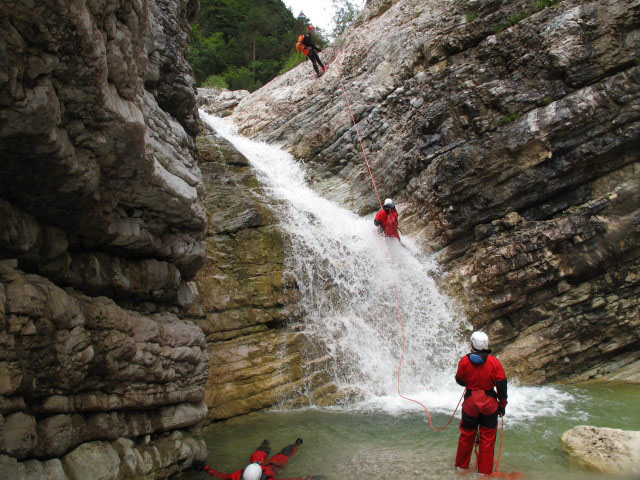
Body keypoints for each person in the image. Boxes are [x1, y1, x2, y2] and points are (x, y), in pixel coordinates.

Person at [454, 331, 508, 476]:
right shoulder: (494, 361)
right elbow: (502, 384)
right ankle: (484, 473)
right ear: (487, 344)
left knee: (466, 435)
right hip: (489, 404)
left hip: (470, 402)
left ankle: (460, 468)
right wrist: (502, 405)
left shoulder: (464, 361)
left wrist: (471, 381)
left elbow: (459, 379)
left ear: (472, 344)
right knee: (487, 438)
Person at [192, 438, 325, 480]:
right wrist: (311, 478)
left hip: (260, 465)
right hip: (271, 466)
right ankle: (296, 444)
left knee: (257, 455)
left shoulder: (238, 475)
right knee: (285, 454)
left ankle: (265, 446)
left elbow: (221, 475)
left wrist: (205, 468)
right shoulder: (267, 477)